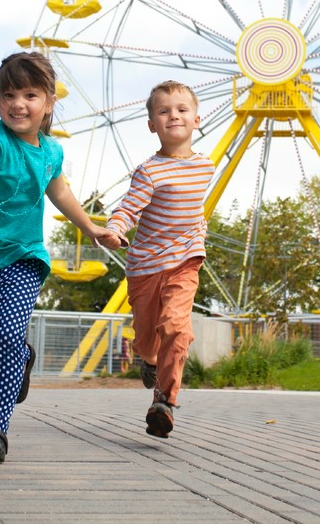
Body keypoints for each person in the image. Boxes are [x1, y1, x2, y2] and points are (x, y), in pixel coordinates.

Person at [0, 51, 108, 463]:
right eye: (8, 94)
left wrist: (90, 227)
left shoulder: (50, 153)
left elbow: (60, 193)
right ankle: (21, 359)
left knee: (8, 335)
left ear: (49, 102)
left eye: (30, 94)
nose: (18, 103)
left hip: (25, 260)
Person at [97, 81, 214, 438]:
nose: (173, 115)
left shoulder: (206, 166)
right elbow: (129, 207)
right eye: (163, 111)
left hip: (185, 261)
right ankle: (148, 360)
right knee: (149, 338)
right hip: (146, 266)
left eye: (181, 110)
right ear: (152, 124)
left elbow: (194, 206)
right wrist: (115, 229)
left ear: (197, 120)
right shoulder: (149, 172)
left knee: (177, 328)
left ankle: (164, 401)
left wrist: (200, 228)